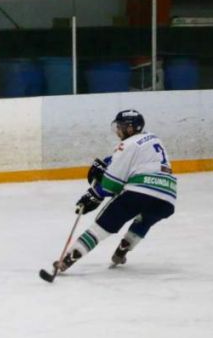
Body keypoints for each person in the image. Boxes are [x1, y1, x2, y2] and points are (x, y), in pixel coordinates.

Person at [52, 109, 176, 273]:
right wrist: (110, 161)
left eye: (120, 126)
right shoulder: (153, 138)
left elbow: (112, 185)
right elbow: (139, 160)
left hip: (139, 193)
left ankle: (68, 259)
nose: (117, 130)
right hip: (168, 197)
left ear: (130, 128)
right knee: (145, 219)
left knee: (103, 225)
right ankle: (123, 249)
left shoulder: (126, 144)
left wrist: (93, 195)